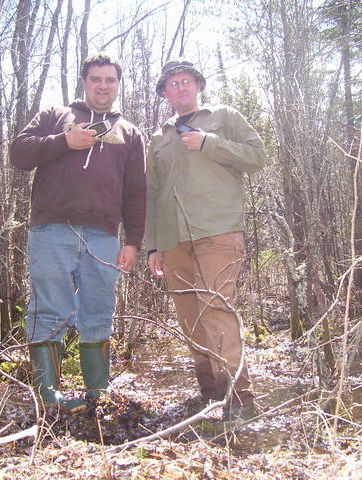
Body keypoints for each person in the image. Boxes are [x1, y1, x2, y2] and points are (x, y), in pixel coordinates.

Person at [10, 53, 146, 413]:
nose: (103, 85)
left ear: (118, 84)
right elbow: (19, 154)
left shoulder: (129, 133)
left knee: (98, 311)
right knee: (49, 308)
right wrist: (63, 141)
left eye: (110, 80)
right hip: (51, 228)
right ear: (84, 82)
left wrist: (133, 241)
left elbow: (136, 193)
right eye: (96, 79)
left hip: (103, 235)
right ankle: (49, 393)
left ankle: (97, 392)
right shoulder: (56, 116)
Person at [145, 59, 266, 422]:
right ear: (164, 93)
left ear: (198, 85)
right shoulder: (158, 138)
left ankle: (240, 400)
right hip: (173, 240)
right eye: (172, 84)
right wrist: (153, 245)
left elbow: (257, 157)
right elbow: (152, 193)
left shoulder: (224, 117)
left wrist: (210, 143)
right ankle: (211, 394)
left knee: (216, 309)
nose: (180, 88)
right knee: (191, 318)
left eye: (186, 81)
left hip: (218, 230)